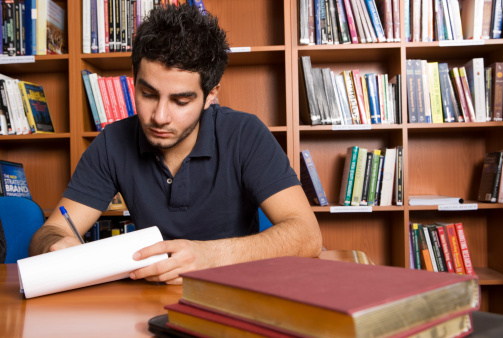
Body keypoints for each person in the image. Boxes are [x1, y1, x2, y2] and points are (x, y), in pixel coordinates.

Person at [29, 4, 322, 284]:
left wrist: (209, 256)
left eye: (181, 101)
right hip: (149, 300)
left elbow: (308, 236)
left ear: (211, 94)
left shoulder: (246, 134)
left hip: (235, 295)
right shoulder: (113, 141)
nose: (159, 117)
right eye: (148, 94)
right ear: (134, 81)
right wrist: (55, 245)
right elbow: (51, 230)